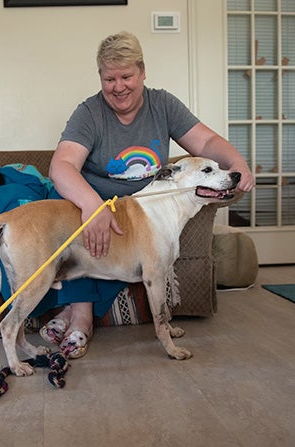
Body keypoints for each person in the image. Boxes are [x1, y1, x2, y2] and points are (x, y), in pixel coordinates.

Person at [39, 31, 255, 358]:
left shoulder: (163, 104)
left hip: (146, 208)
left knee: (134, 250)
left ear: (142, 72)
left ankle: (71, 314)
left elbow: (207, 144)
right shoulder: (90, 112)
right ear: (100, 78)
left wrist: (236, 162)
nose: (119, 86)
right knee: (91, 231)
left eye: (127, 76)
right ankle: (81, 315)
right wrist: (92, 206)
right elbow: (62, 166)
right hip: (99, 202)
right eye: (109, 78)